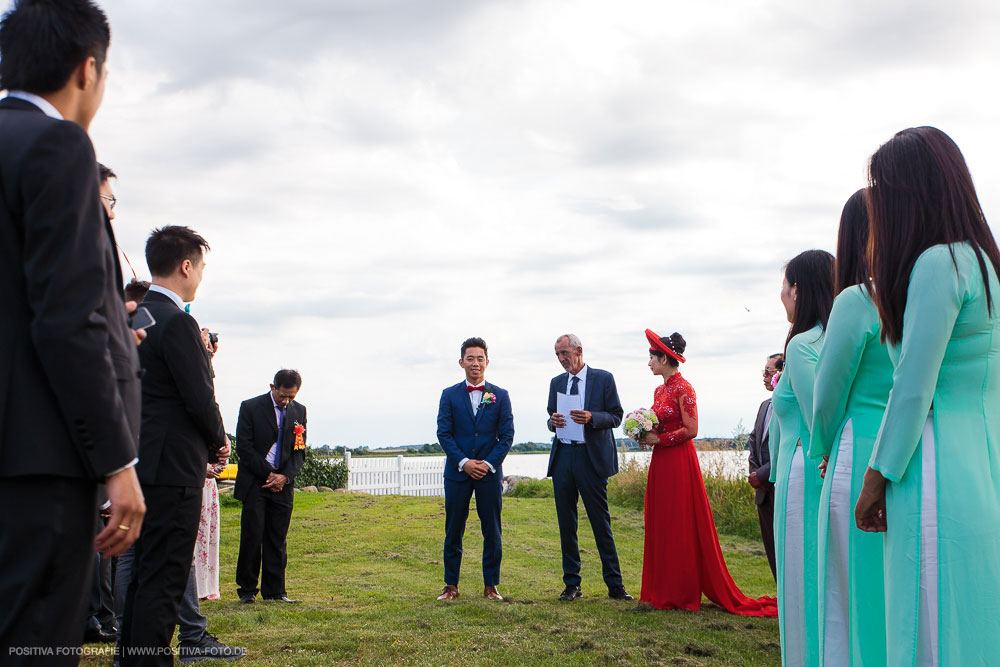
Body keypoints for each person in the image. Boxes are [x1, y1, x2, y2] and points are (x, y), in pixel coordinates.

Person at [0, 1, 145, 661]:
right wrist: (116, 461)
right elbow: (70, 320)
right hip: (40, 461)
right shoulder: (57, 146)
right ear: (89, 69)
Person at [854, 127, 1000, 666]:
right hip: (983, 468)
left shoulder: (938, 263)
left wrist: (875, 478)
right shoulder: (988, 265)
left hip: (932, 470)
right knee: (977, 619)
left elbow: (913, 387)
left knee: (924, 625)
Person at [119, 226, 230, 666]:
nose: (200, 276)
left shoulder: (131, 317)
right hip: (172, 468)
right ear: (186, 266)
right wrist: (219, 442)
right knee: (165, 578)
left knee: (143, 574)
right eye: (200, 267)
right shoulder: (178, 321)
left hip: (137, 464)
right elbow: (198, 395)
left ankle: (129, 658)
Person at [638, 330, 777, 616]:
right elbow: (663, 424)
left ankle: (680, 590)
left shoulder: (683, 388)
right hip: (660, 461)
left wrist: (660, 440)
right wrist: (646, 432)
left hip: (678, 461)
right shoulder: (659, 390)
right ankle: (660, 588)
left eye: (651, 357)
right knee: (662, 520)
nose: (648, 362)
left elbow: (691, 430)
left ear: (664, 358)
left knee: (679, 520)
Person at [809, 189, 890, 666]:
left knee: (847, 589)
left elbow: (827, 397)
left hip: (857, 450)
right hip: (912, 450)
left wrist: (822, 447)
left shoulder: (856, 301)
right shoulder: (913, 296)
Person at [768, 249, 834, 667]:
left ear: (800, 290)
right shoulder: (841, 335)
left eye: (785, 285)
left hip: (803, 473)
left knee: (801, 578)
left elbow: (817, 415)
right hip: (822, 469)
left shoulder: (805, 345)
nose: (781, 295)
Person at [546, 334, 631, 601]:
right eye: (557, 355)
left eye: (564, 353)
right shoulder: (556, 382)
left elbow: (616, 416)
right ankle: (572, 584)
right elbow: (550, 417)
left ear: (579, 350)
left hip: (591, 459)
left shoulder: (603, 378)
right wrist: (553, 421)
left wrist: (592, 417)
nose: (561, 359)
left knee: (600, 522)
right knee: (566, 524)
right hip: (563, 457)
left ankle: (615, 585)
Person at [435, 338, 514, 601]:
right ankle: (450, 586)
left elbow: (507, 435)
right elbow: (444, 434)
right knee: (453, 528)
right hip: (457, 473)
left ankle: (491, 586)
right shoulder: (449, 395)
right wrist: (464, 463)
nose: (475, 363)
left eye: (480, 358)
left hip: (489, 475)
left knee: (492, 529)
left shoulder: (500, 395)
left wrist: (488, 464)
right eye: (470, 358)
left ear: (487, 362)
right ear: (461, 363)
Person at [235, 370, 308, 604]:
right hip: (256, 481)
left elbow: (299, 451)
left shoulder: (300, 412)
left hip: (283, 486)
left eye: (291, 397)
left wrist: (284, 477)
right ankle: (247, 590)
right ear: (273, 387)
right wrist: (268, 474)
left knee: (278, 538)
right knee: (252, 536)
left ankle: (276, 591)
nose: (286, 402)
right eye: (283, 396)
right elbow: (244, 448)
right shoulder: (250, 407)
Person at [747, 352, 783, 581]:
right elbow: (753, 440)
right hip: (764, 491)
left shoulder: (791, 404)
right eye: (764, 371)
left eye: (768, 372)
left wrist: (763, 474)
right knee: (770, 545)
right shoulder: (764, 406)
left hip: (780, 484)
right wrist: (754, 472)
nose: (764, 376)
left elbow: (788, 444)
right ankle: (781, 596)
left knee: (785, 545)